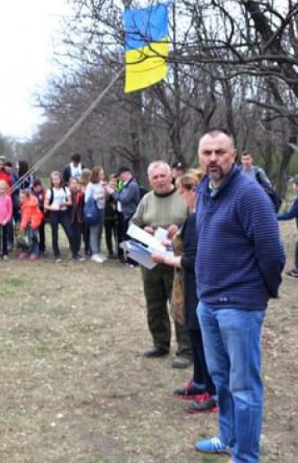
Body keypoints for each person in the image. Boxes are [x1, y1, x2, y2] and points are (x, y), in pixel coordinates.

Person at [193, 130, 285, 461]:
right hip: (209, 303)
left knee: (244, 386)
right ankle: (227, 436)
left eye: (220, 152)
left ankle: (245, 457)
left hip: (240, 306)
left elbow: (272, 253)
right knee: (222, 380)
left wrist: (264, 291)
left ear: (233, 155)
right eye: (207, 152)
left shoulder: (250, 194)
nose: (213, 158)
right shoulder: (205, 188)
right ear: (199, 156)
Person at [151, 169, 217, 413]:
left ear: (194, 191)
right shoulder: (194, 217)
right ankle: (200, 381)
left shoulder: (201, 218)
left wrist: (164, 259)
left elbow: (193, 259)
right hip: (189, 285)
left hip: (199, 284)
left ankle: (213, 390)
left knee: (202, 337)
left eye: (182, 192)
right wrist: (169, 244)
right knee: (193, 331)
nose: (182, 197)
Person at [131, 161, 192, 368]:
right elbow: (133, 223)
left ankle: (186, 350)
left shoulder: (183, 196)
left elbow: (197, 222)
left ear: (171, 176)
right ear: (149, 180)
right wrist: (145, 229)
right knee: (154, 304)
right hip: (150, 259)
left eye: (162, 176)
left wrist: (181, 229)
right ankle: (160, 343)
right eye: (155, 177)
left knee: (179, 305)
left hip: (176, 260)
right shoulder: (146, 199)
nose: (159, 180)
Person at [106, 166, 140, 266]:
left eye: (120, 175)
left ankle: (133, 261)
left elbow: (124, 199)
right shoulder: (125, 184)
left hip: (130, 214)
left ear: (127, 173)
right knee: (126, 238)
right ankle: (129, 259)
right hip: (123, 215)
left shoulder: (132, 185)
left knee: (131, 239)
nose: (119, 178)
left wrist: (112, 192)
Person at [44, 171, 74, 263]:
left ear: (60, 179)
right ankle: (57, 255)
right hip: (54, 214)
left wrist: (63, 203)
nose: (56, 181)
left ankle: (74, 251)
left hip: (63, 213)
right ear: (52, 181)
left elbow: (70, 202)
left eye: (57, 179)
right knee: (55, 234)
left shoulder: (65, 189)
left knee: (70, 232)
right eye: (54, 179)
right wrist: (53, 207)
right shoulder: (50, 191)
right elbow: (45, 205)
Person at [85, 167, 107, 263]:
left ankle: (98, 251)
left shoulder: (103, 183)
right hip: (94, 209)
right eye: (101, 173)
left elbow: (117, 187)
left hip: (102, 208)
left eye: (103, 173)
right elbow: (87, 199)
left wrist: (106, 190)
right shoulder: (91, 185)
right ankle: (94, 253)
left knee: (100, 230)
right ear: (96, 174)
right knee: (94, 230)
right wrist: (98, 196)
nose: (103, 175)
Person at [18, 189, 43, 260]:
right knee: (26, 237)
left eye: (22, 198)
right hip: (29, 222)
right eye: (20, 197)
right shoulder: (26, 203)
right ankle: (26, 250)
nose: (20, 199)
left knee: (33, 237)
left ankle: (35, 252)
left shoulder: (29, 205)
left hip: (33, 223)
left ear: (27, 197)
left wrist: (22, 226)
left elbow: (26, 217)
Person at [68, 177, 85, 261]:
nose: (74, 185)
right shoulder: (67, 193)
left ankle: (76, 252)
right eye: (72, 183)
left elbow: (84, 201)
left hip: (79, 217)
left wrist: (82, 192)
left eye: (76, 183)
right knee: (71, 234)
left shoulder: (80, 193)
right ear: (69, 184)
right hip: (69, 216)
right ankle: (73, 251)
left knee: (78, 235)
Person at [103, 176, 119, 260]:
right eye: (112, 181)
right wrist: (108, 190)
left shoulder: (118, 191)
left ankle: (117, 251)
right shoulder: (106, 190)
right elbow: (105, 198)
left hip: (116, 215)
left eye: (115, 181)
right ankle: (110, 251)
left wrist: (116, 191)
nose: (113, 183)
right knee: (108, 234)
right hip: (107, 215)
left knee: (117, 234)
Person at [31, 179, 46, 255]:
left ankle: (42, 246)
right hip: (34, 215)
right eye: (35, 187)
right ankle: (34, 246)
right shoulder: (32, 194)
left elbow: (45, 203)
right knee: (34, 232)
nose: (37, 188)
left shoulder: (44, 193)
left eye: (38, 187)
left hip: (41, 214)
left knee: (41, 231)